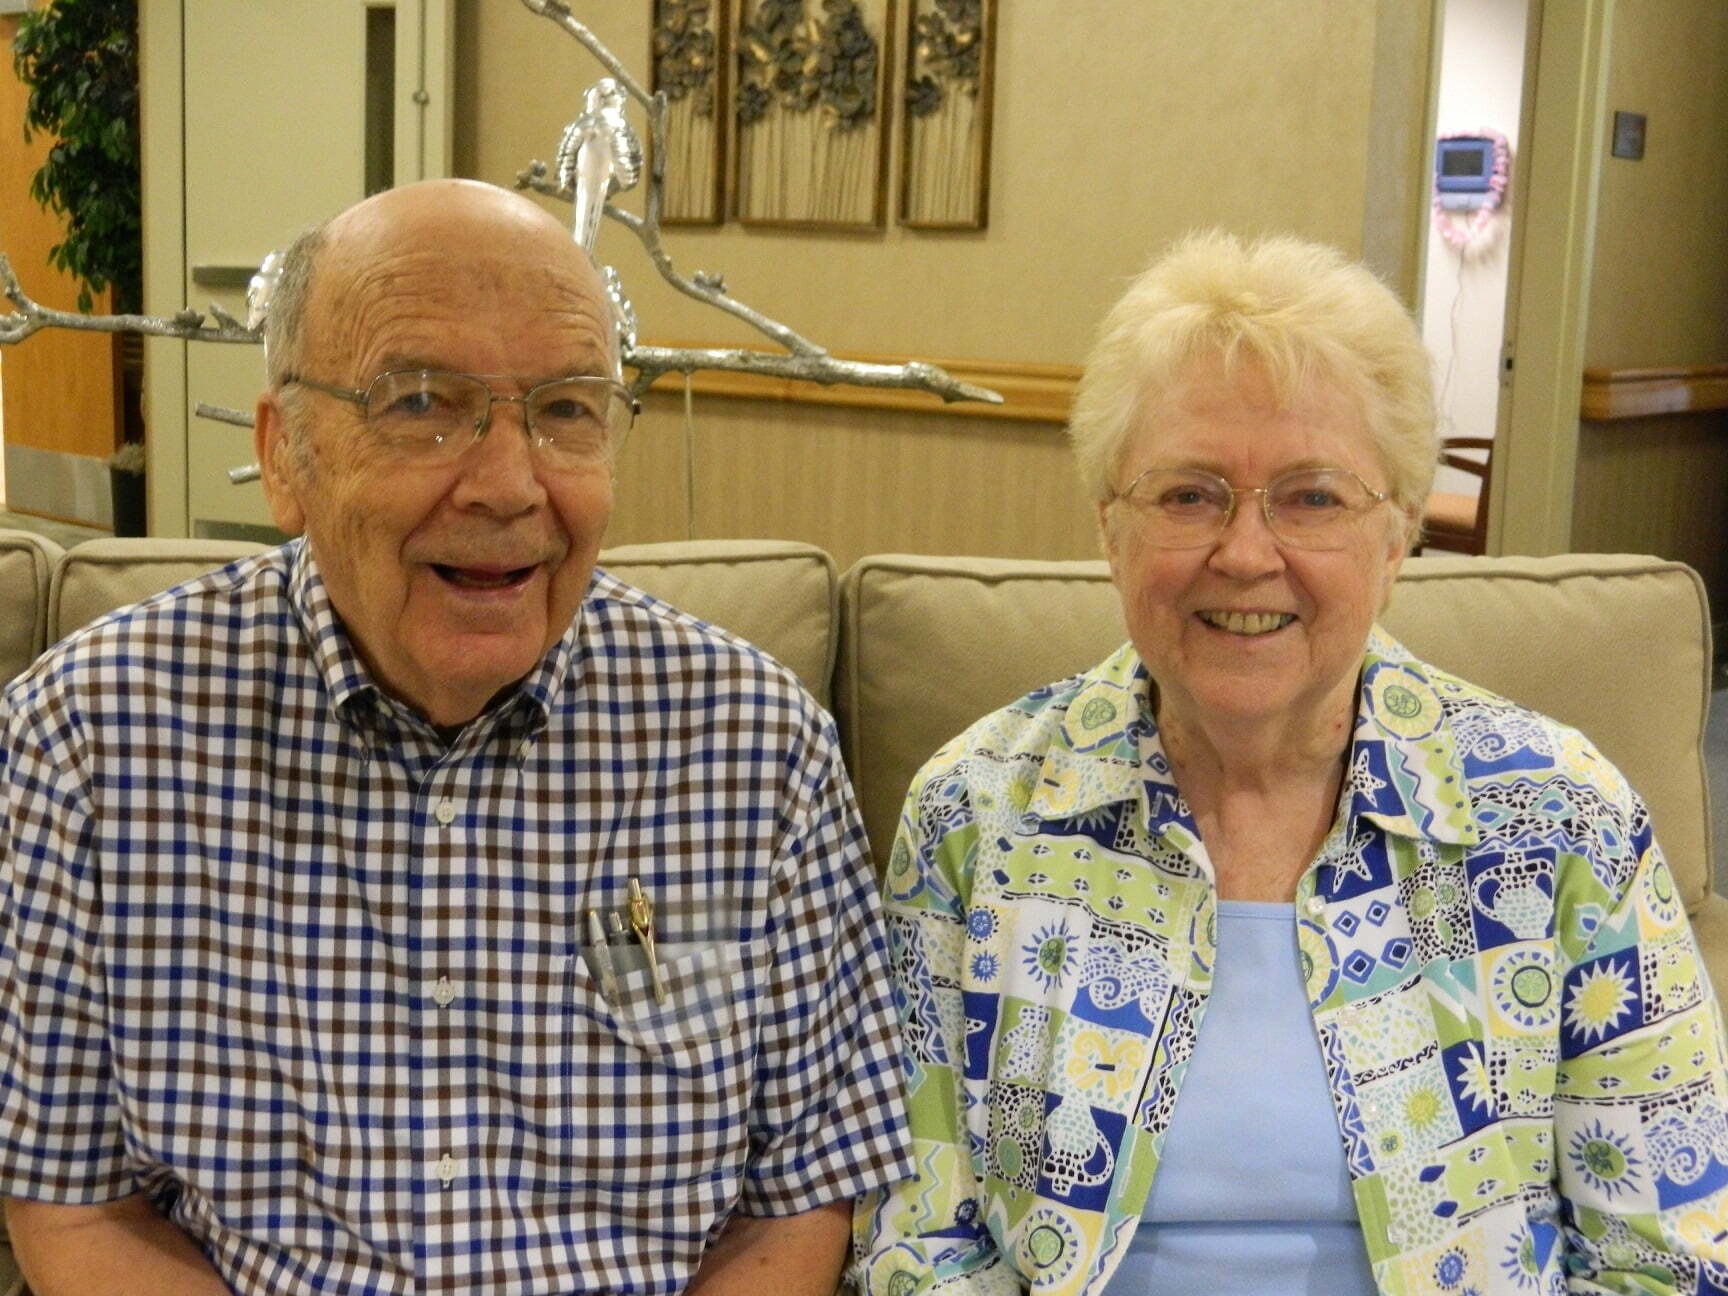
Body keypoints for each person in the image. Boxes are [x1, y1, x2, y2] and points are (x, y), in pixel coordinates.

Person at [0, 179, 910, 1295]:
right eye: (423, 401)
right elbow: (71, 1199)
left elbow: (802, 1198)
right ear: (286, 455)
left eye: (567, 408)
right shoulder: (90, 741)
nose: (509, 482)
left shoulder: (757, 753)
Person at [851, 232, 1728, 1294]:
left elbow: (1667, 1257)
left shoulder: (1558, 818)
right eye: (1189, 495)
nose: (1247, 552)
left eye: (1313, 497)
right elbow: (916, 1239)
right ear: (1109, 527)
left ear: (1399, 534)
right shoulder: (978, 814)